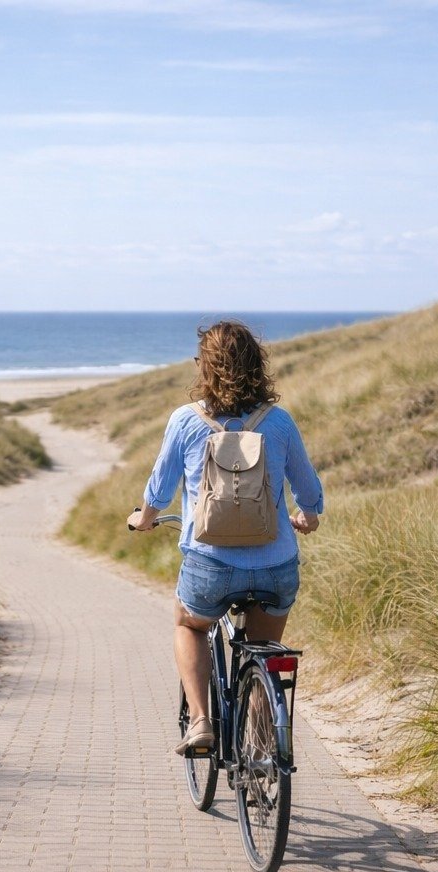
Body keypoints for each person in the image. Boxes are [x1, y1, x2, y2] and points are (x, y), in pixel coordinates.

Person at [126, 321, 323, 755]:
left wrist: (144, 519)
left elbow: (158, 491)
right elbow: (308, 490)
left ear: (205, 368)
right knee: (265, 648)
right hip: (275, 566)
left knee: (188, 623)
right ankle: (262, 737)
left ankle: (200, 722)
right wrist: (307, 517)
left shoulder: (186, 420)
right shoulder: (280, 422)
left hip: (210, 565)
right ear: (258, 364)